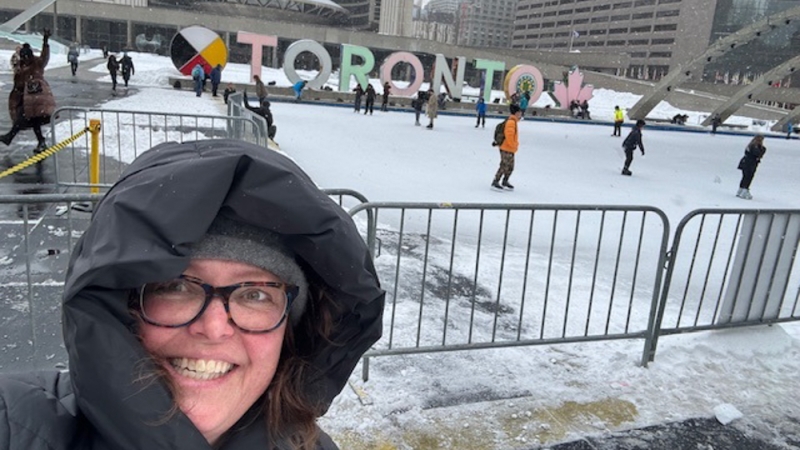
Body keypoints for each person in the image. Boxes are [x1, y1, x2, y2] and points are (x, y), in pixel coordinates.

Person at [0, 139, 385, 449]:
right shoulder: (13, 424)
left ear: (291, 332)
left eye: (255, 295)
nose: (214, 327)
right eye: (177, 286)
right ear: (122, 307)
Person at [1, 31, 56, 151]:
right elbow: (18, 81)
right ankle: (40, 141)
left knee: (28, 118)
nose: (25, 59)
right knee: (31, 119)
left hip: (36, 97)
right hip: (26, 98)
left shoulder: (37, 63)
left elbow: (44, 56)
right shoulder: (21, 66)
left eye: (26, 57)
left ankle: (10, 137)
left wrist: (45, 42)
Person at [491, 104, 522, 190]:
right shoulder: (511, 122)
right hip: (506, 147)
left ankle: (505, 180)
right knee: (504, 165)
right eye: (519, 112)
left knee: (510, 167)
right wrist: (513, 144)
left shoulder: (513, 121)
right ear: (516, 113)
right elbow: (509, 135)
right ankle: (496, 181)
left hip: (510, 148)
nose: (520, 114)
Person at [736, 134, 766, 199]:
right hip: (750, 163)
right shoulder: (755, 147)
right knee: (749, 176)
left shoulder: (750, 146)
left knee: (745, 176)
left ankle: (741, 189)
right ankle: (744, 189)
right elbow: (758, 154)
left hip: (746, 162)